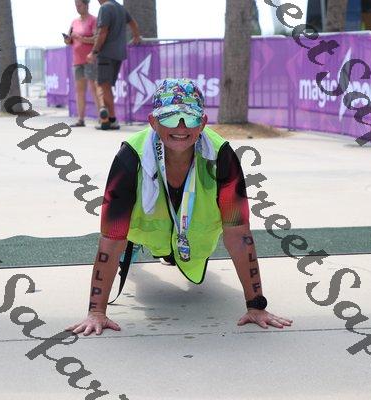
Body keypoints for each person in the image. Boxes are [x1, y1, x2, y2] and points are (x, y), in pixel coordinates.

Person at [66, 78, 293, 336]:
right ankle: (143, 246)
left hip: (194, 237)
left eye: (191, 118)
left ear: (203, 123)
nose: (181, 127)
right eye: (171, 118)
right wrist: (96, 312)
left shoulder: (223, 156)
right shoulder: (129, 157)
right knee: (129, 246)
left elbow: (239, 234)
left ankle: (171, 252)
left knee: (182, 259)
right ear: (153, 122)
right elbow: (111, 238)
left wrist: (256, 306)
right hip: (143, 230)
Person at [86, 0, 141, 130]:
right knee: (107, 86)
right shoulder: (120, 8)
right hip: (119, 54)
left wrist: (94, 52)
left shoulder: (105, 8)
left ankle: (110, 118)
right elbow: (133, 23)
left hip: (106, 54)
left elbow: (102, 32)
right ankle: (107, 119)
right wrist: (136, 36)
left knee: (102, 86)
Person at [64, 0, 100, 128]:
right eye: (76, 5)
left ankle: (102, 118)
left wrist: (81, 38)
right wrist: (68, 40)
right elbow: (69, 41)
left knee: (94, 89)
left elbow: (96, 38)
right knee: (79, 91)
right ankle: (80, 119)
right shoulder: (74, 22)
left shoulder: (93, 20)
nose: (77, 8)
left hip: (90, 60)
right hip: (77, 61)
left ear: (86, 5)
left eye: (79, 5)